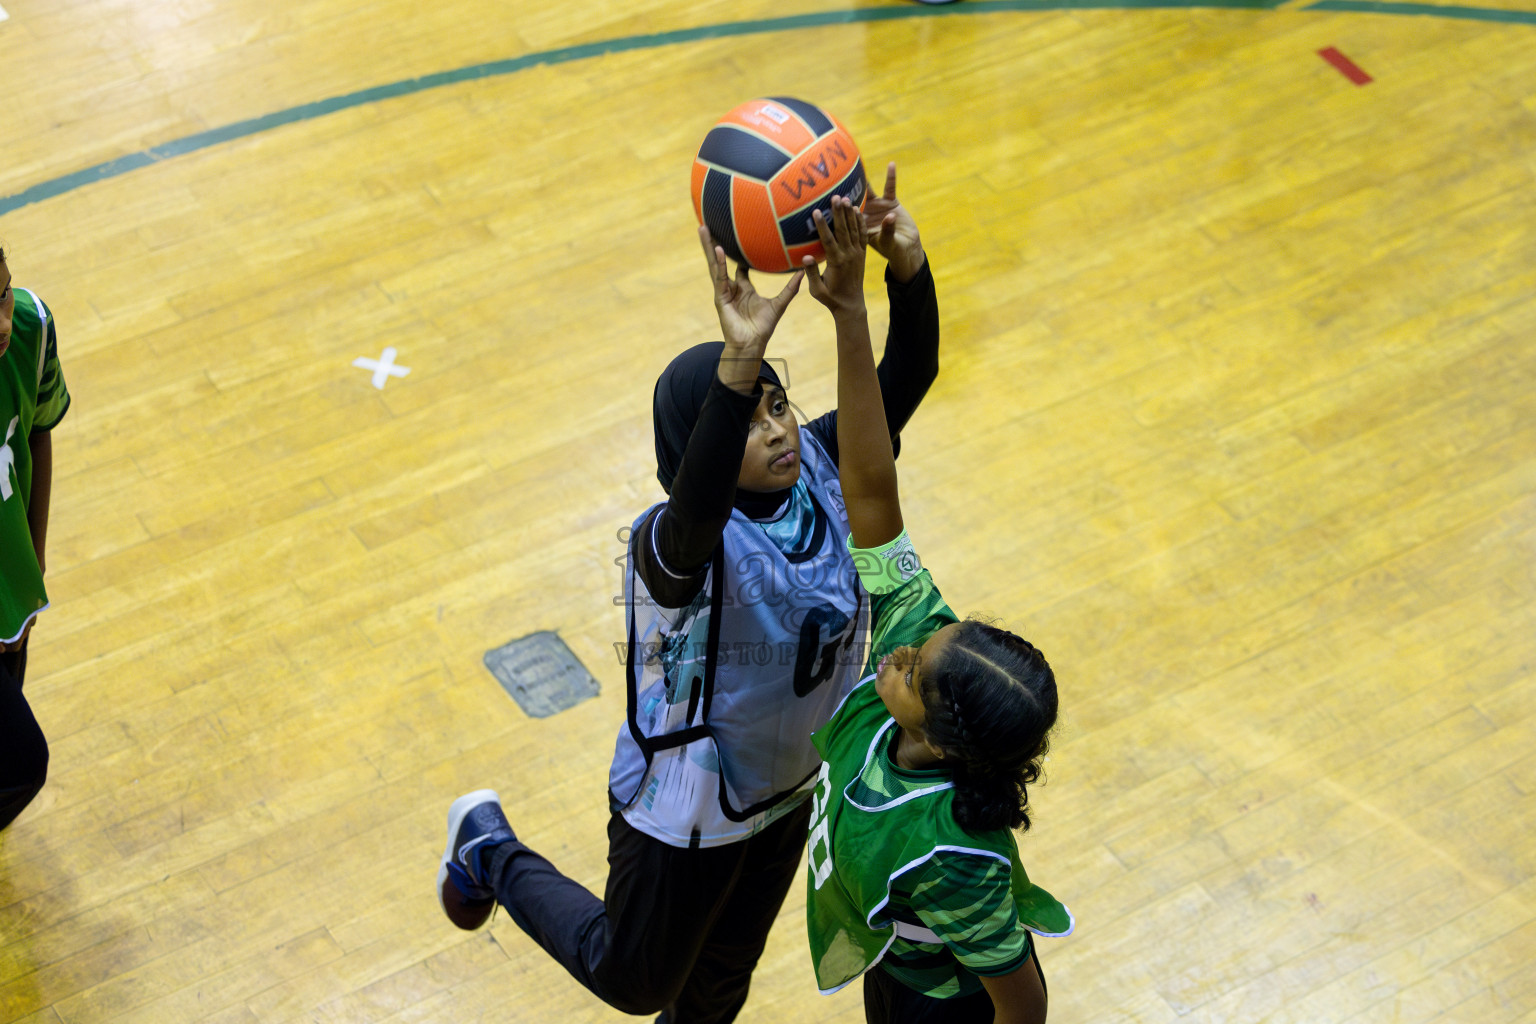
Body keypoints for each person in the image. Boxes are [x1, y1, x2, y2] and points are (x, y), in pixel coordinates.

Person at [437, 165, 941, 1023]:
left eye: (779, 405)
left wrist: (910, 267)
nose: (777, 427)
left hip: (787, 789)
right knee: (635, 982)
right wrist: (737, 363)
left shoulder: (825, 462)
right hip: (685, 805)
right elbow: (701, 502)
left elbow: (910, 372)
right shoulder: (669, 546)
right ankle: (489, 845)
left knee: (712, 997)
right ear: (698, 444)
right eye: (749, 417)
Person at [799, 197, 1073, 1023]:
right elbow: (871, 486)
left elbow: (1023, 1010)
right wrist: (852, 310)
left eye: (913, 669)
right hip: (897, 971)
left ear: (941, 737)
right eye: (923, 646)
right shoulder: (920, 631)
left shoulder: (959, 864)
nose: (899, 653)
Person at [1, 245, 70, 832]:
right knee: (24, 763)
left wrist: (35, 558)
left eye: (1, 292)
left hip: (11, 591)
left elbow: (40, 433)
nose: (1, 322)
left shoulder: (31, 327)